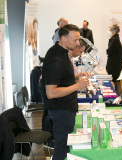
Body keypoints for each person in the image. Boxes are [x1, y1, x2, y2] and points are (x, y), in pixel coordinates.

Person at [42, 24, 89, 160]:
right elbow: (51, 92)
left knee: (65, 148)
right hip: (61, 111)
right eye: (74, 40)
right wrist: (77, 86)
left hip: (65, 108)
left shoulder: (60, 52)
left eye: (78, 40)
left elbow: (59, 78)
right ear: (63, 39)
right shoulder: (56, 59)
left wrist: (75, 77)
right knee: (62, 150)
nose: (77, 43)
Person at [106, 24, 122, 96]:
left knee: (116, 81)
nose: (108, 31)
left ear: (114, 31)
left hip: (114, 64)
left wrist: (107, 51)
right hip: (116, 63)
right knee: (117, 81)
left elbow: (109, 51)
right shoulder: (116, 38)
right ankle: (118, 98)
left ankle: (118, 98)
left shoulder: (114, 39)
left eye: (110, 30)